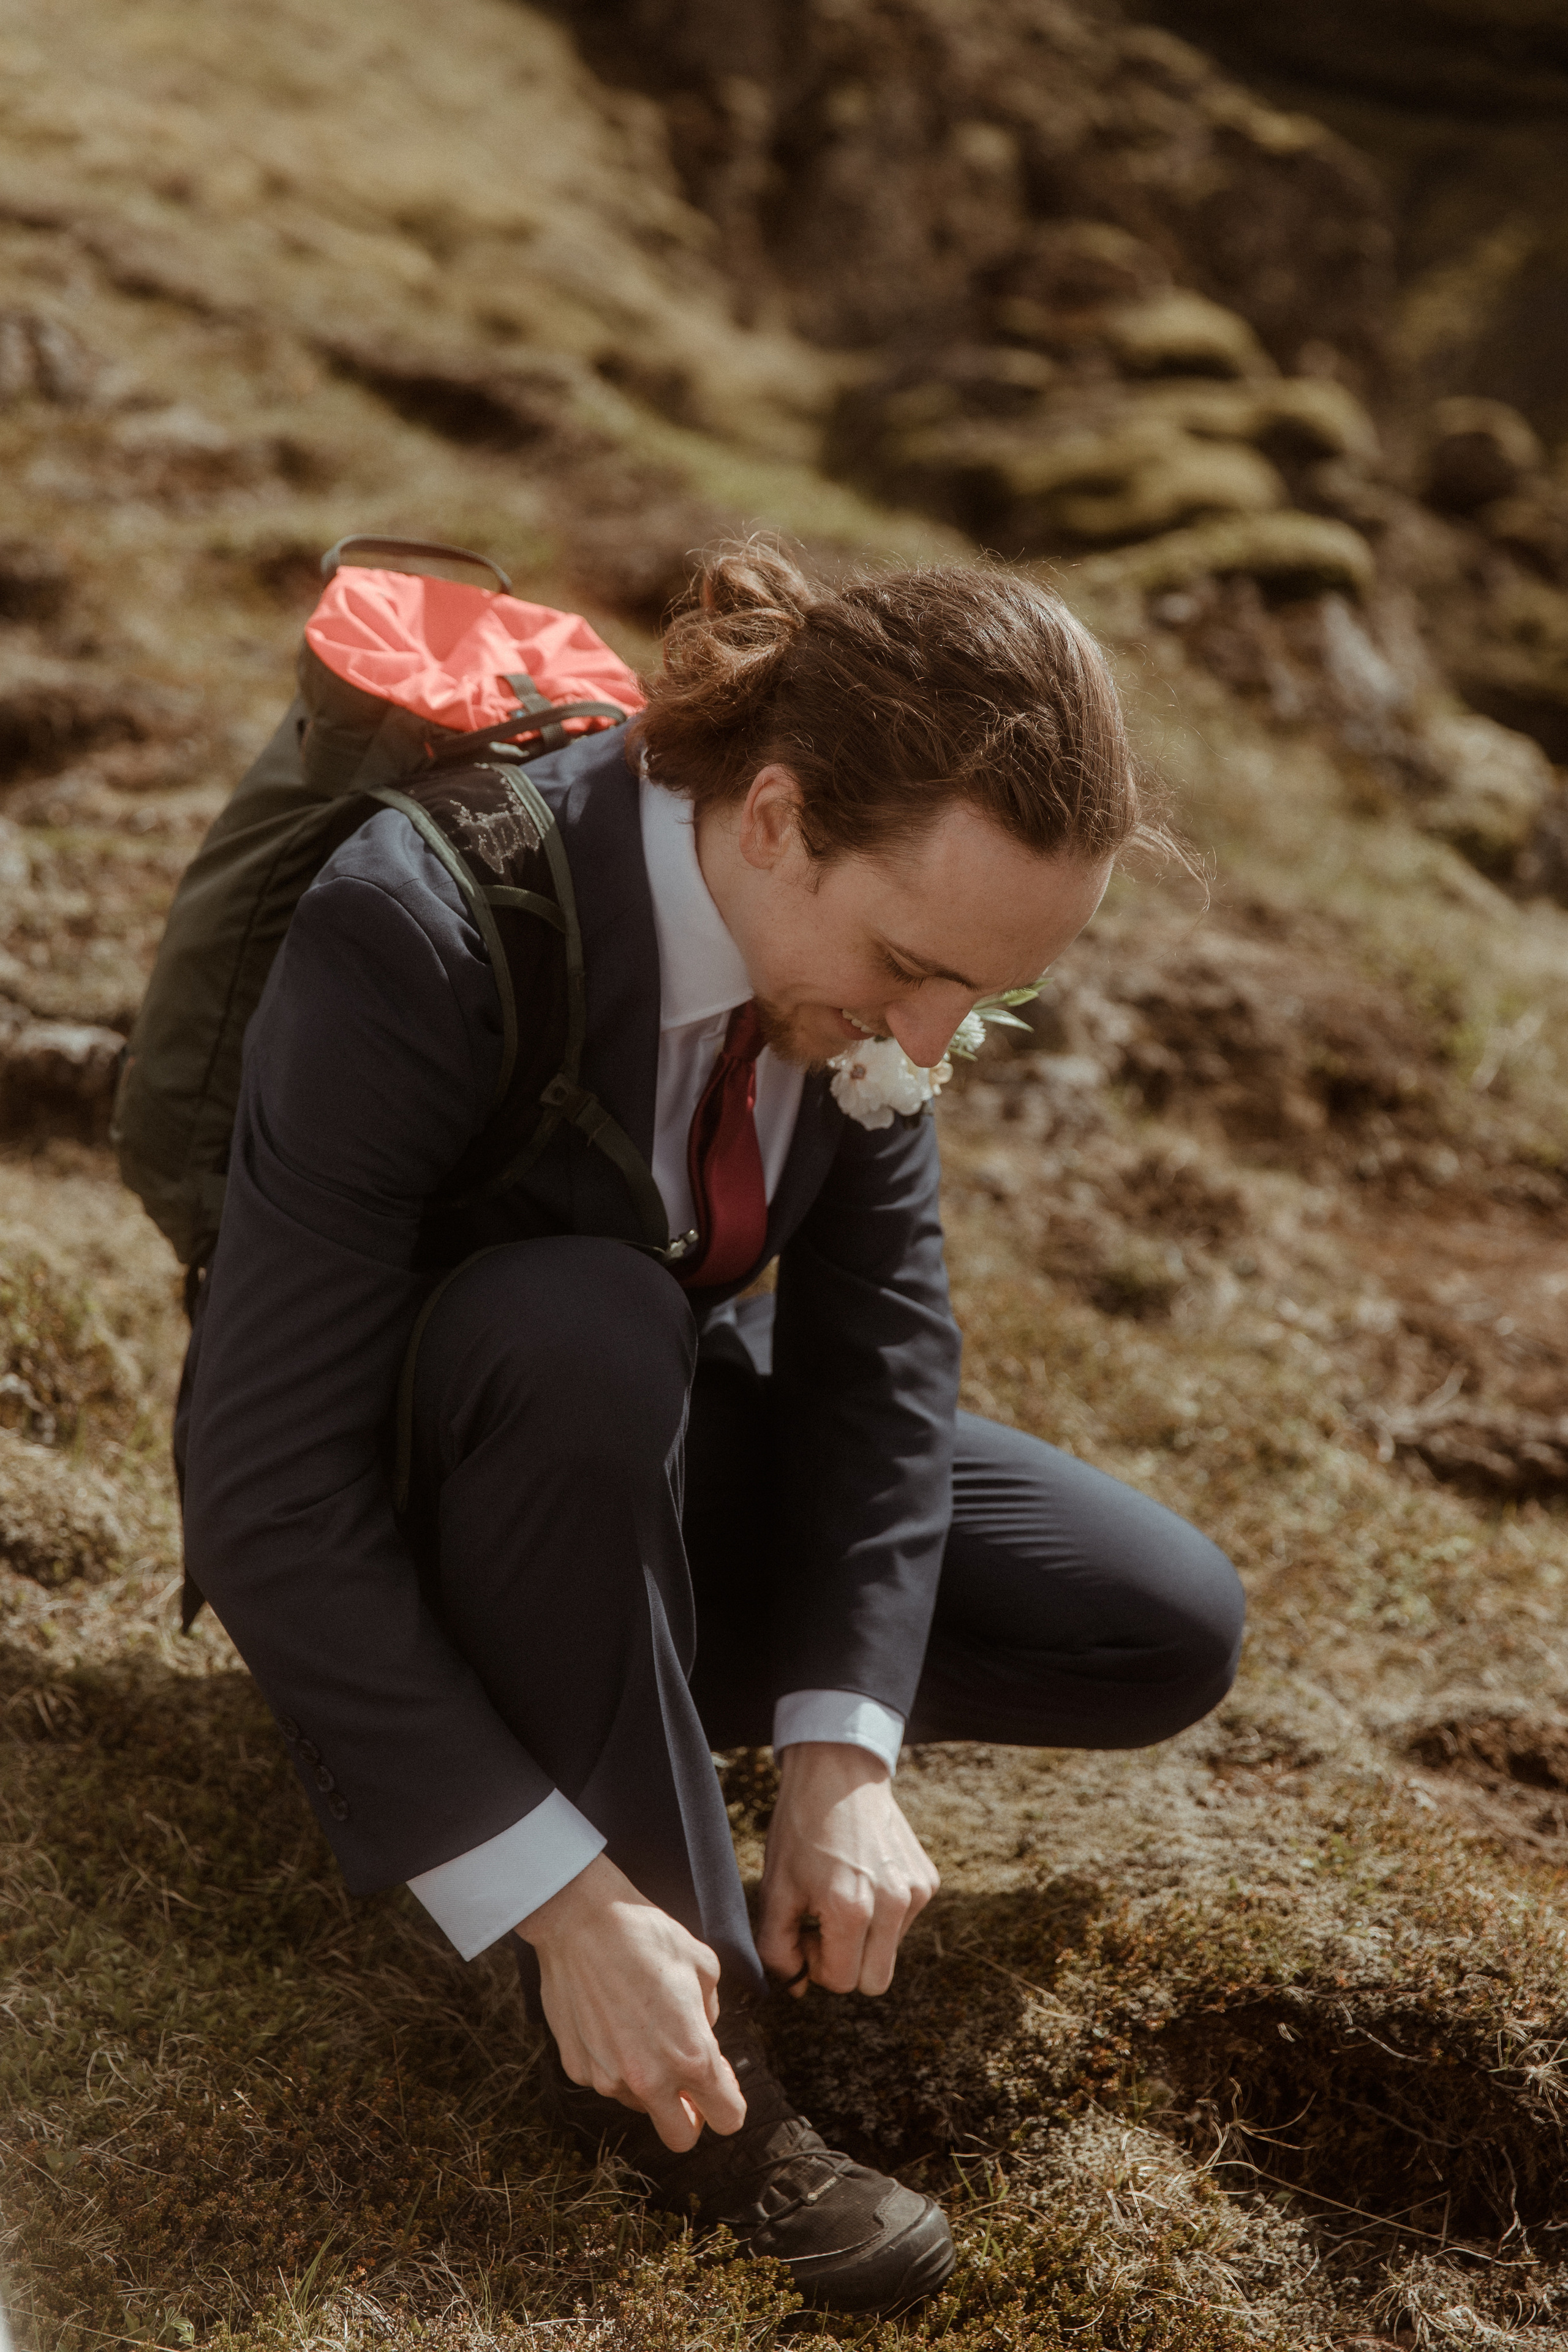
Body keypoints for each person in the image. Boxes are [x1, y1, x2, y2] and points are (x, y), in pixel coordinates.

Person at [177, 547, 1244, 2317]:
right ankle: (687, 2092)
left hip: (629, 1466)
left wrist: (840, 1752)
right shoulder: (417, 926)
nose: (931, 1040)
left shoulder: (866, 986)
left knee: (1154, 1617)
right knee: (581, 1321)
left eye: (981, 998)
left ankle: (625, 1723)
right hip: (413, 1505)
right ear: (774, 816)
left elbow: (880, 1361)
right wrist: (566, 1904)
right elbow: (262, 1488)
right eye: (912, 971)